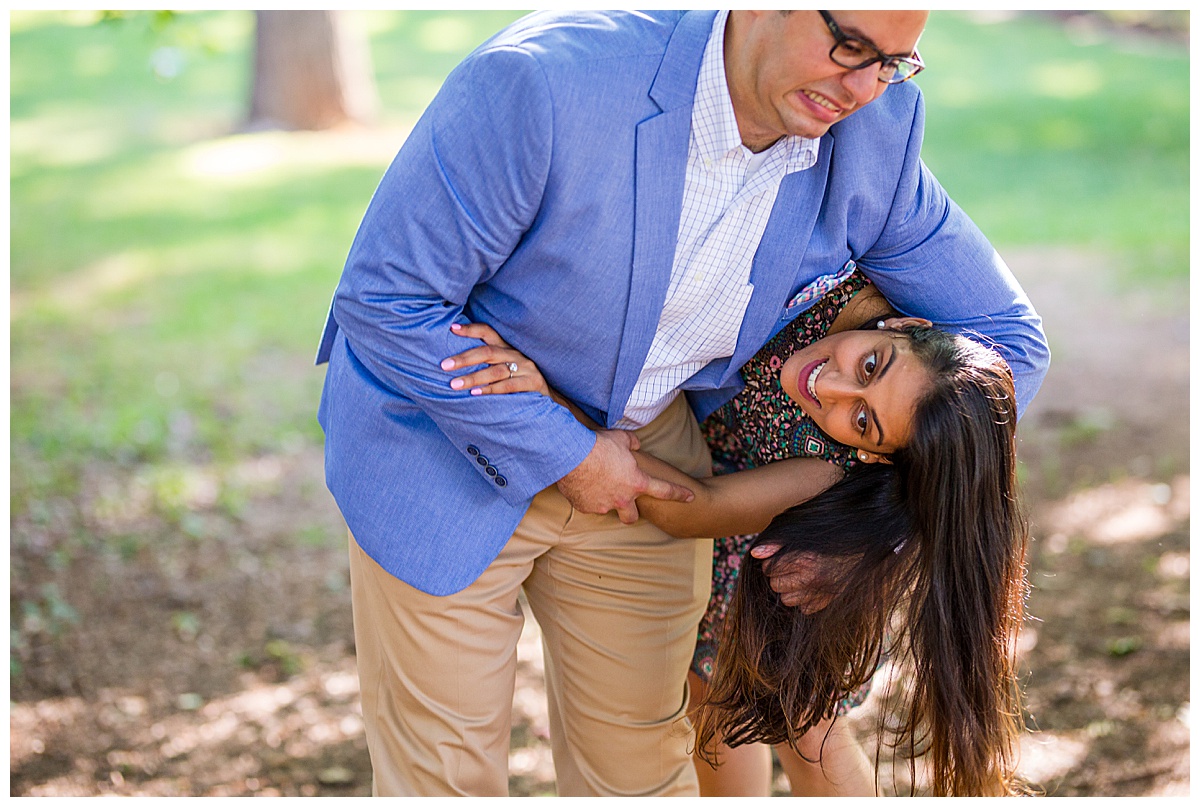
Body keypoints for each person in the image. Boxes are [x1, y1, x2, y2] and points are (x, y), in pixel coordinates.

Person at [315, 10, 1049, 796]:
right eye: (850, 47)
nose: (864, 87)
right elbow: (387, 297)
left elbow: (1008, 349)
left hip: (644, 469)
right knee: (447, 781)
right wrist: (565, 446)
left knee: (645, 776)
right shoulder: (543, 83)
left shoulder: (874, 133)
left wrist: (874, 521)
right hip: (447, 447)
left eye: (895, 63)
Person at [443, 263, 1028, 796]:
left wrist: (553, 415)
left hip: (773, 551)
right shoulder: (847, 273)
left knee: (802, 730)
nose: (831, 387)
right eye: (870, 365)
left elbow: (692, 506)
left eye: (862, 419)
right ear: (903, 322)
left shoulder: (825, 468)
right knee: (723, 712)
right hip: (725, 518)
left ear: (877, 456)